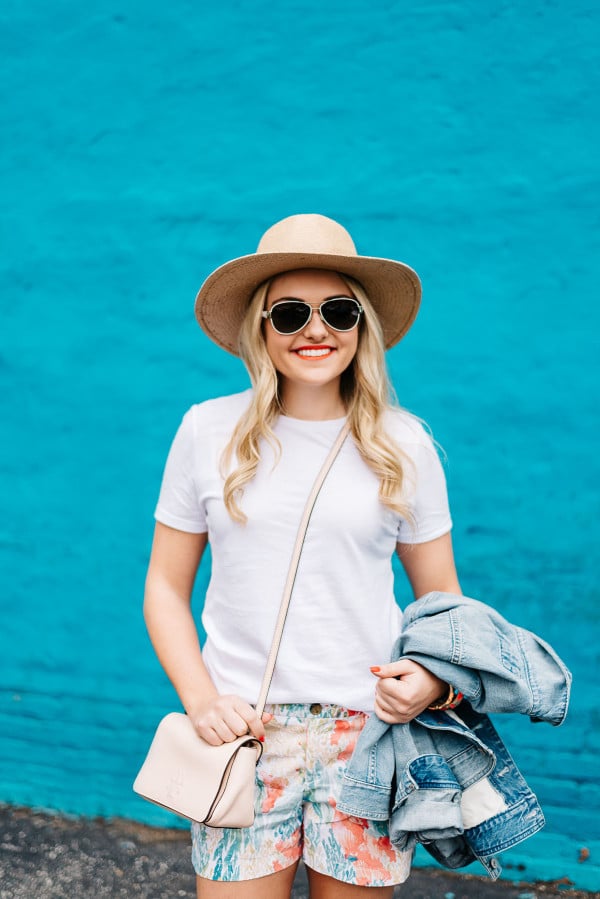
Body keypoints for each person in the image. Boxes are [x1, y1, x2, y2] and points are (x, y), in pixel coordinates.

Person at [143, 213, 462, 899]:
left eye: (337, 311)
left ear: (361, 325)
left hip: (369, 738)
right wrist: (200, 700)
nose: (315, 330)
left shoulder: (405, 443)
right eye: (290, 313)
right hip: (247, 738)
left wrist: (432, 682)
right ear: (261, 327)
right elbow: (165, 589)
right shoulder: (207, 431)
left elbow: (442, 604)